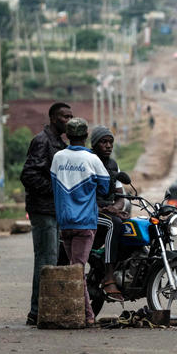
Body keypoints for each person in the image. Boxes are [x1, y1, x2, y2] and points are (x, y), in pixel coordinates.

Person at [50, 118, 110, 326]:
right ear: (85, 137)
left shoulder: (58, 158)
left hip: (65, 222)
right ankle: (87, 315)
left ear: (67, 135)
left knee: (73, 268)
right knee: (78, 270)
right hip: (85, 222)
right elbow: (104, 188)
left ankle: (78, 312)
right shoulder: (92, 159)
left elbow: (54, 185)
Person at [20, 101, 72, 326]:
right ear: (53, 118)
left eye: (71, 117)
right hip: (43, 211)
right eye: (64, 117)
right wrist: (56, 191)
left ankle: (44, 309)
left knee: (54, 260)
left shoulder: (59, 143)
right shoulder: (42, 141)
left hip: (54, 211)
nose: (68, 121)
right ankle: (37, 311)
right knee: (46, 259)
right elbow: (29, 175)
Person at [90, 126, 127, 303]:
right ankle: (109, 276)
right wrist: (104, 209)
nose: (108, 146)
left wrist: (117, 208)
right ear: (94, 144)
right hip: (90, 211)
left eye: (110, 142)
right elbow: (83, 193)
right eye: (103, 142)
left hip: (108, 211)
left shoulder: (113, 164)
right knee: (115, 224)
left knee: (130, 226)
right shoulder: (88, 161)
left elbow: (121, 195)